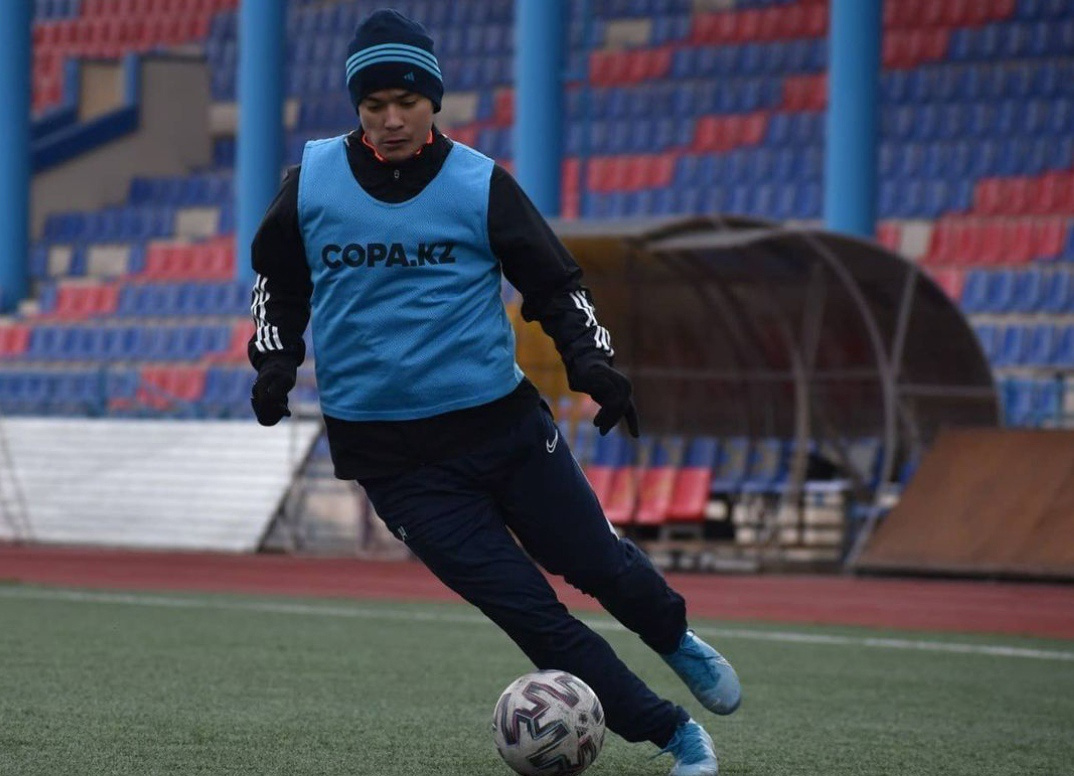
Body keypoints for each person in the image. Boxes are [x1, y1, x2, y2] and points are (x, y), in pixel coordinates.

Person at [247, 10, 740, 775]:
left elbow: (555, 284)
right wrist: (275, 362)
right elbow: (277, 284)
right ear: (357, 107)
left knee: (597, 563)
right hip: (395, 462)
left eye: (406, 101)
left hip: (502, 430)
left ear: (433, 100)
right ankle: (677, 736)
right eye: (374, 105)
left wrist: (592, 365)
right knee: (533, 617)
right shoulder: (311, 182)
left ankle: (674, 637)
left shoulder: (479, 184)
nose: (390, 119)